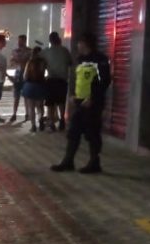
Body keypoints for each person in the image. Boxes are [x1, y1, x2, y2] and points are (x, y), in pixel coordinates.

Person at [51, 32, 111, 174]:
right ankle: (68, 161)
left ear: (85, 43)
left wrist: (93, 98)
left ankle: (94, 163)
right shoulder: (80, 59)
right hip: (80, 102)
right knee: (73, 131)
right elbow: (78, 80)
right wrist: (73, 96)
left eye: (79, 42)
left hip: (93, 104)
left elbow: (105, 81)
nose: (77, 45)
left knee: (93, 133)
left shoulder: (100, 60)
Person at [42, 31, 73, 131]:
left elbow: (37, 58)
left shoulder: (46, 51)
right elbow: (70, 63)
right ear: (58, 39)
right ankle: (62, 121)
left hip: (51, 80)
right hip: (62, 81)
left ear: (50, 41)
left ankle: (51, 123)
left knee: (50, 103)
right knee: (61, 102)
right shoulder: (65, 51)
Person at [22, 47, 48, 133]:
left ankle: (33, 126)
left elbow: (25, 76)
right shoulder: (43, 62)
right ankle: (40, 119)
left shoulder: (29, 62)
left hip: (30, 86)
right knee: (40, 106)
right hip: (40, 85)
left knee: (31, 107)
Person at [9, 34, 31, 122]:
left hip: (26, 75)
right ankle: (14, 114)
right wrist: (17, 61)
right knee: (16, 96)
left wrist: (19, 61)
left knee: (26, 96)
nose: (19, 43)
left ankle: (27, 114)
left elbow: (29, 62)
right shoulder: (15, 51)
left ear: (24, 41)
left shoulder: (29, 51)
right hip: (17, 76)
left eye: (21, 41)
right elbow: (11, 63)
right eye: (18, 41)